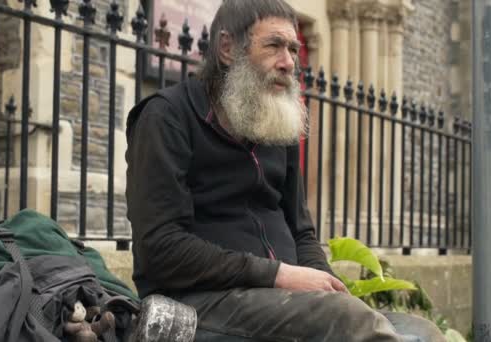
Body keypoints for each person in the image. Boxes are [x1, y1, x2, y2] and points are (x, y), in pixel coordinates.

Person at [125, 0, 445, 341]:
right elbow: (160, 248)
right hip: (195, 302)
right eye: (274, 45)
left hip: (280, 301)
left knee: (419, 331)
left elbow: (301, 232)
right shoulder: (166, 117)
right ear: (227, 48)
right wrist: (278, 275)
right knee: (351, 322)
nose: (289, 62)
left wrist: (326, 284)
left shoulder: (276, 122)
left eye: (293, 48)